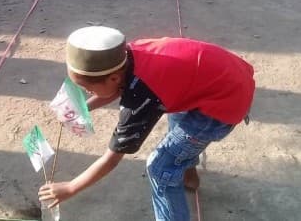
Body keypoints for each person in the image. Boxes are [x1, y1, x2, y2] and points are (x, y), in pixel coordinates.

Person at [37, 26, 255, 221]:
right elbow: (115, 88)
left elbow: (112, 157)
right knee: (177, 123)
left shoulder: (142, 96)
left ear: (113, 77)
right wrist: (82, 109)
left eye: (89, 90)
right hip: (220, 78)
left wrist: (70, 188)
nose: (88, 94)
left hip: (224, 103)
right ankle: (187, 172)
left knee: (160, 168)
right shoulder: (124, 58)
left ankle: (179, 175)